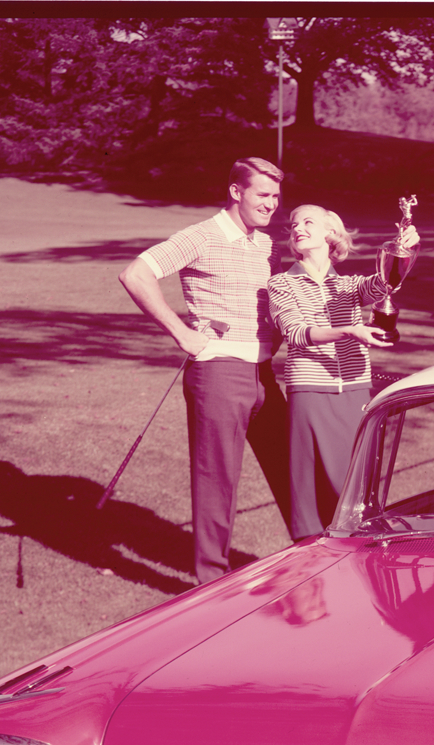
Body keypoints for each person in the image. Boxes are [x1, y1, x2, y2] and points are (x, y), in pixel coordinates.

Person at [118, 156, 293, 586]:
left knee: (293, 467)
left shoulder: (265, 245)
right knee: (218, 481)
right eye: (262, 194)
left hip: (264, 372)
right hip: (219, 374)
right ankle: (212, 583)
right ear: (236, 192)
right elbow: (135, 274)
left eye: (276, 196)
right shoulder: (201, 235)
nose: (271, 204)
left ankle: (316, 557)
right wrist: (181, 332)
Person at [267, 205, 419, 541]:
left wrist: (405, 248)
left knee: (355, 489)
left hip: (355, 391)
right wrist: (351, 331)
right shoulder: (281, 283)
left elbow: (386, 283)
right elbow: (296, 333)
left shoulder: (350, 285)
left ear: (330, 232)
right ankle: (312, 556)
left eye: (308, 222)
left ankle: (360, 552)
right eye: (293, 224)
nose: (297, 228)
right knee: (310, 491)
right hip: (309, 392)